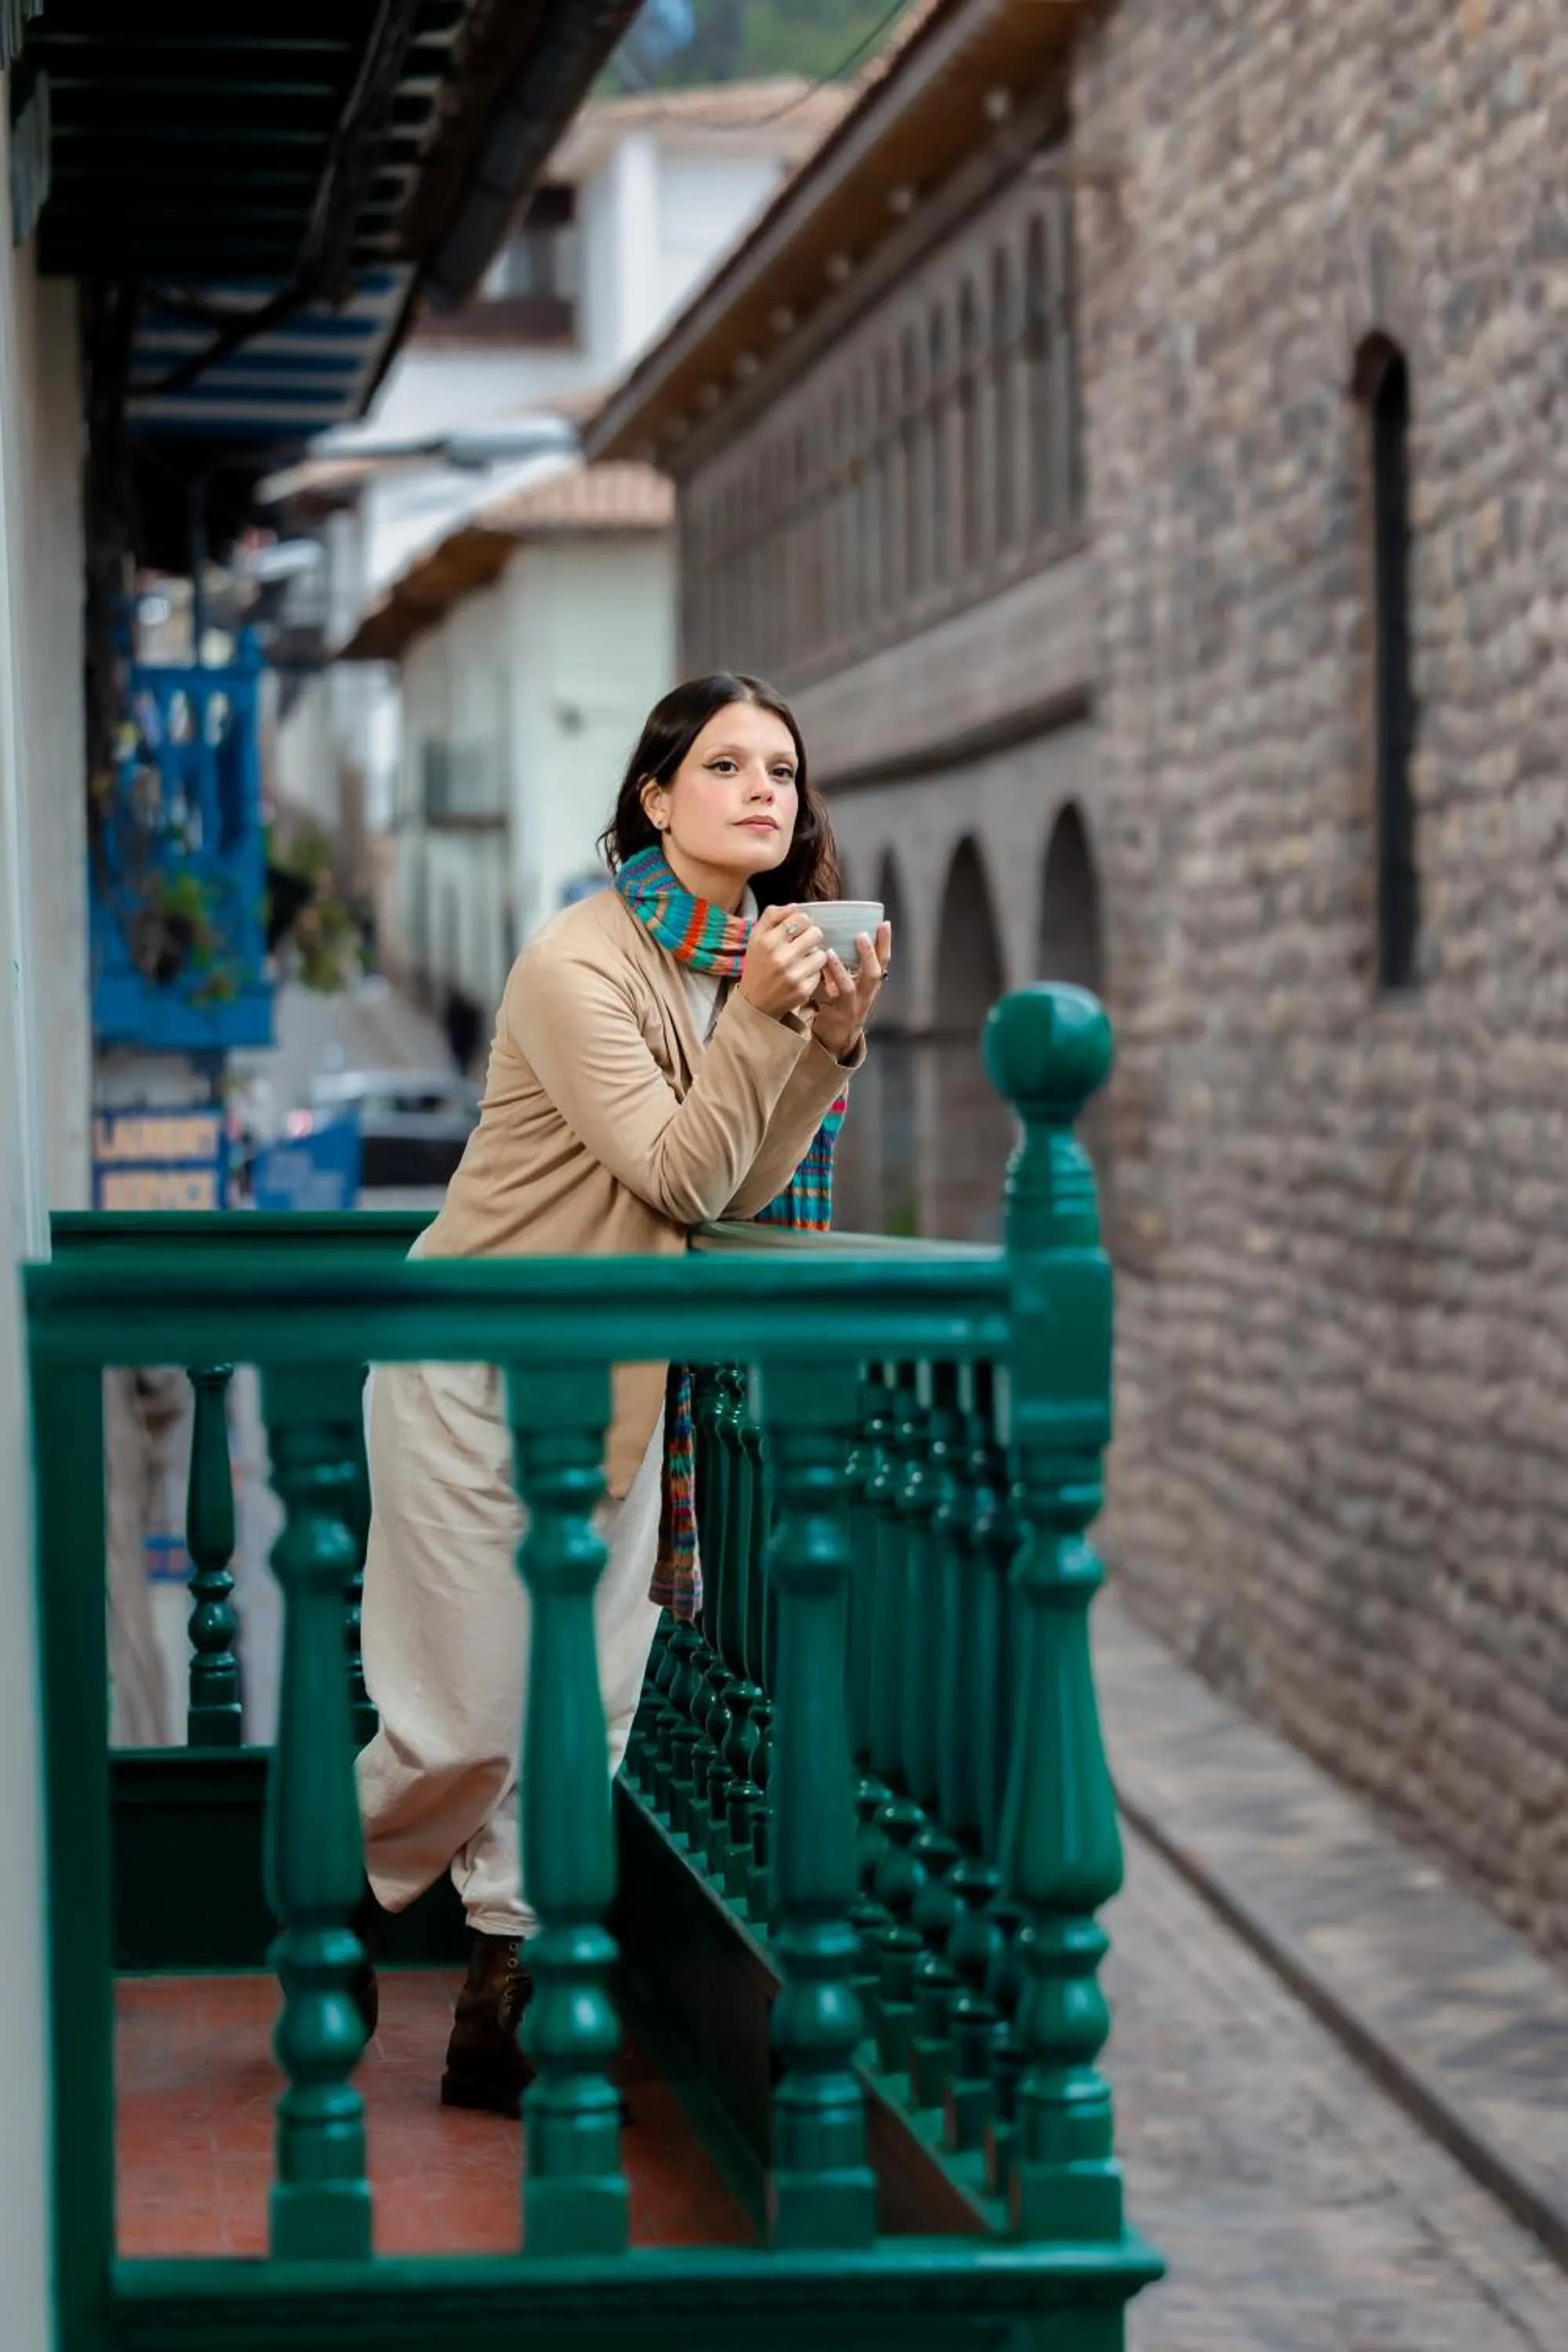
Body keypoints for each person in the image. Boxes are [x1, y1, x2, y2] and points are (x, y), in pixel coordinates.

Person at [354, 673, 892, 2114]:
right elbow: (674, 1173)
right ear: (655, 800)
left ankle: (502, 2016)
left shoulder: (736, 971)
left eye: (782, 770)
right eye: (725, 765)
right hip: (474, 1372)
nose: (764, 789)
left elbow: (743, 1197)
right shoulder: (574, 965)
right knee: (467, 1720)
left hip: (616, 1381)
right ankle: (319, 1874)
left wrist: (824, 1041)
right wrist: (770, 1025)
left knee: (579, 1718)